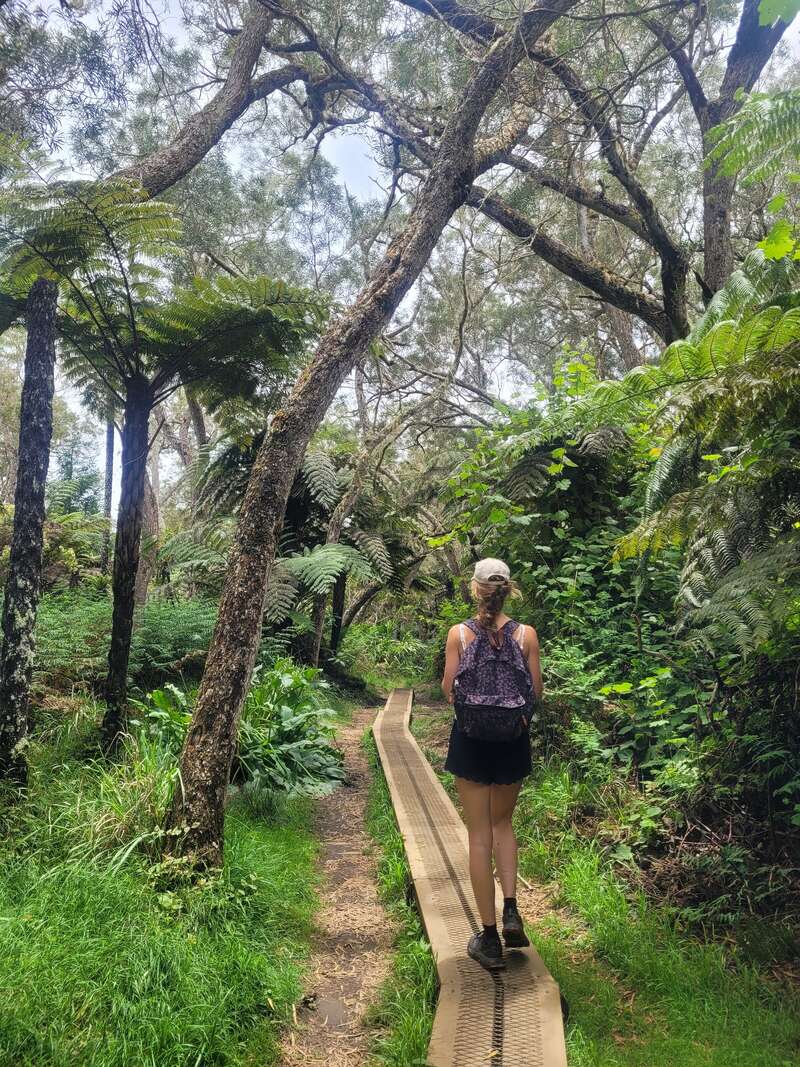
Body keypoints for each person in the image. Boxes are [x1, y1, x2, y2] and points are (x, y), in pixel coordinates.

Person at [441, 557, 542, 971]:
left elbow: (448, 687)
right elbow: (535, 690)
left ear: (475, 588)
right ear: (507, 589)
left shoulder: (460, 634)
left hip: (470, 741)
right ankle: (511, 910)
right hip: (512, 741)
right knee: (503, 824)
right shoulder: (526, 634)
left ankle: (488, 937)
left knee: (479, 834)